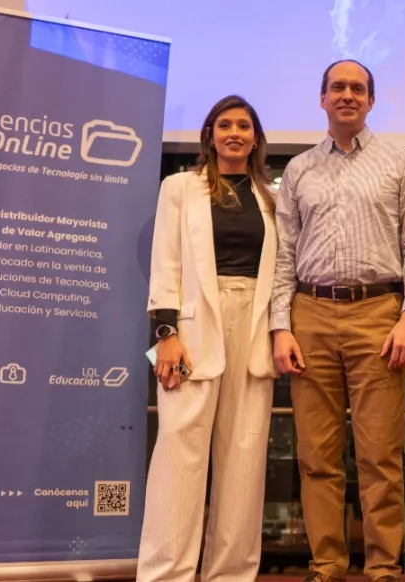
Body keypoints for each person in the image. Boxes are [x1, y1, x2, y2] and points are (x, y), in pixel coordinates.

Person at [270, 59, 405, 582]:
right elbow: (284, 255)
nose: (347, 95)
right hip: (310, 314)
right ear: (322, 99)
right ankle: (328, 565)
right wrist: (281, 326)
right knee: (317, 456)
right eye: (337, 87)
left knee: (380, 455)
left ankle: (383, 567)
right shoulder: (297, 170)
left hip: (378, 316)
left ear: (371, 100)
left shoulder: (401, 162)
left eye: (357, 88)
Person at [139, 95, 279, 582]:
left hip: (255, 330)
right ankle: (165, 574)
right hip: (192, 331)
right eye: (225, 125)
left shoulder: (272, 199)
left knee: (244, 458)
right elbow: (165, 263)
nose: (235, 133)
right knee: (179, 453)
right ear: (210, 134)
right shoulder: (179, 187)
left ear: (256, 138)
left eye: (244, 125)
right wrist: (166, 334)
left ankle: (231, 574)